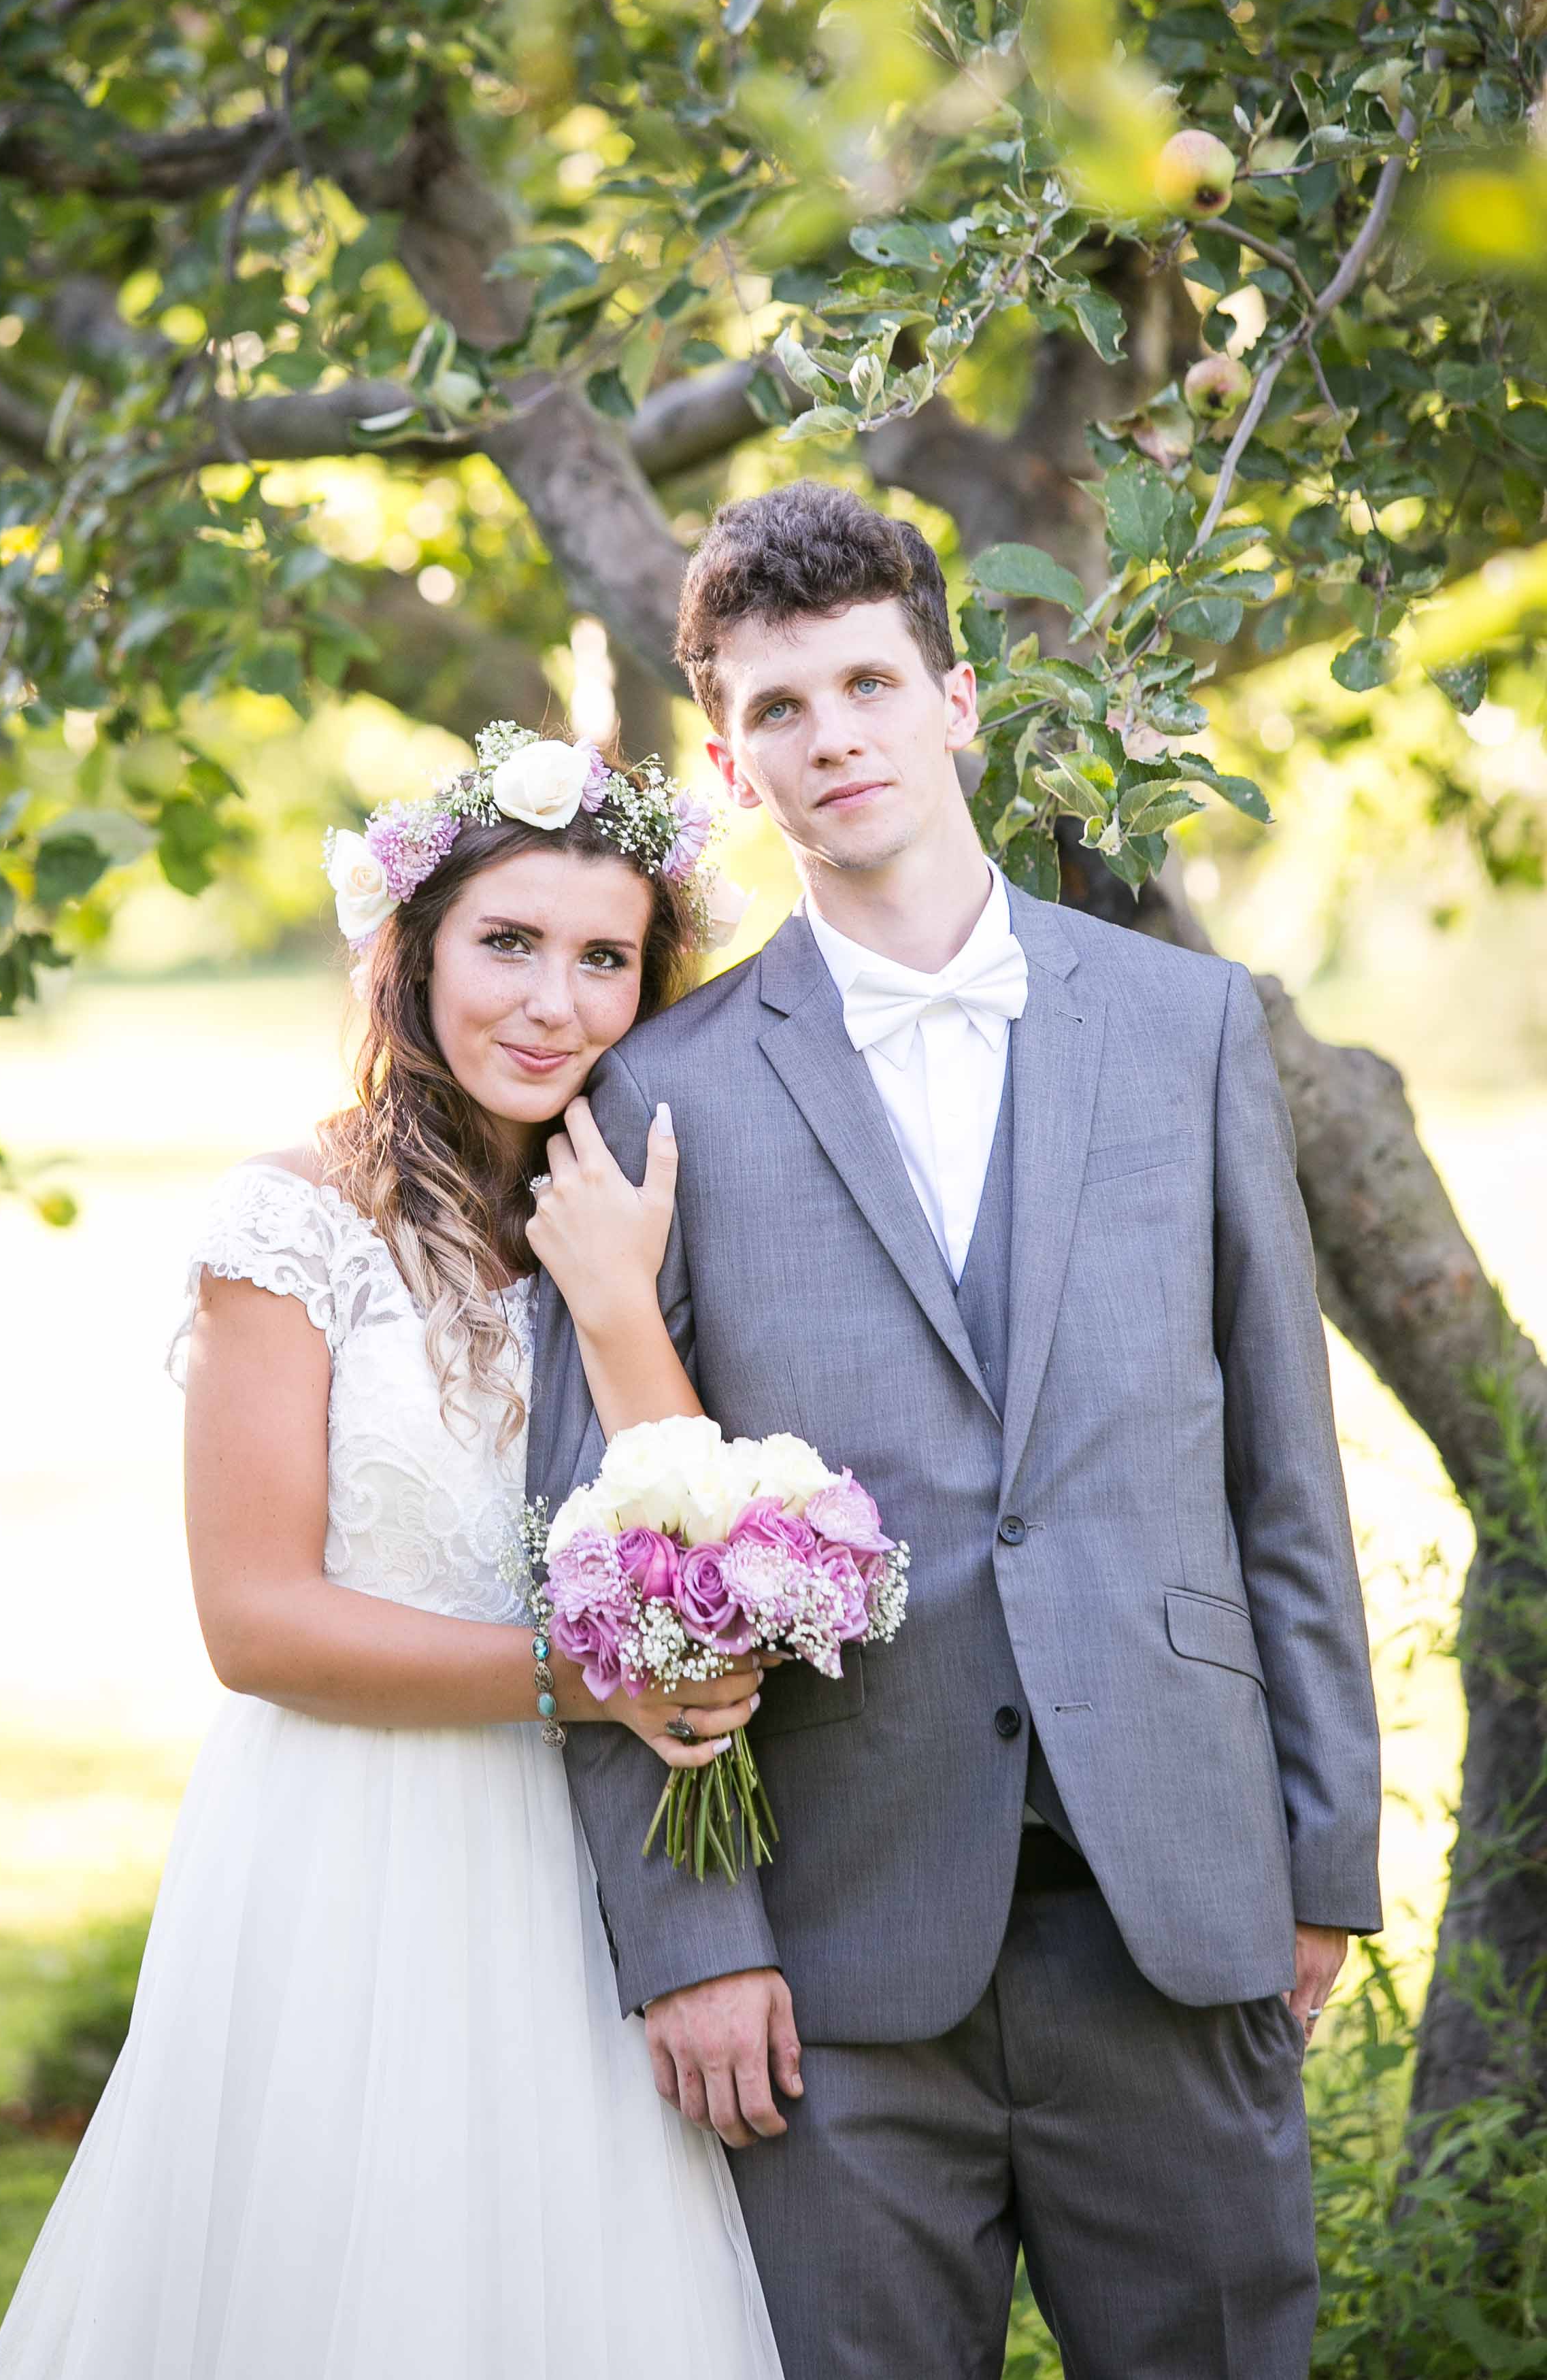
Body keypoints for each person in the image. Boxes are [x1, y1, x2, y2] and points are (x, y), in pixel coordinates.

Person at [529, 482, 1384, 2380]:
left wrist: (1324, 1861)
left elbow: (1285, 1476)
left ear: (959, 699)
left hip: (1178, 1901)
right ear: (732, 766)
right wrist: (695, 1943)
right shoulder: (658, 1091)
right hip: (839, 1953)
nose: (833, 736)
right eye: (777, 708)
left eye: (868, 684)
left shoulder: (1189, 1028)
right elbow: (608, 1551)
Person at [0, 731, 783, 2380]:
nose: (552, 1003)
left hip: (591, 1863)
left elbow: (694, 1523)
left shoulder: (642, 1212)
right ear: (412, 954)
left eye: (603, 959)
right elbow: (256, 1623)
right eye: (508, 944)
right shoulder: (290, 1223)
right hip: (354, 1851)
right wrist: (586, 1679)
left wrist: (617, 1298)